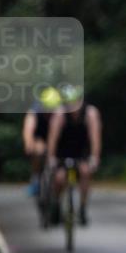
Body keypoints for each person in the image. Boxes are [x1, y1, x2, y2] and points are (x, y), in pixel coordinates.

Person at [47, 85, 102, 225]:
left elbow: (95, 138)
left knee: (85, 172)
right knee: (59, 178)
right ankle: (57, 205)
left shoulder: (90, 113)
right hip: (63, 151)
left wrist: (94, 157)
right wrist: (51, 158)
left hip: (81, 151)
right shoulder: (60, 114)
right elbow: (52, 139)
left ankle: (83, 208)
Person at [21, 86, 61, 196]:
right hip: (40, 136)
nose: (49, 112)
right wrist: (28, 143)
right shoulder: (35, 111)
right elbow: (28, 129)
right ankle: (36, 178)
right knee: (38, 151)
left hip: (56, 136)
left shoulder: (61, 112)